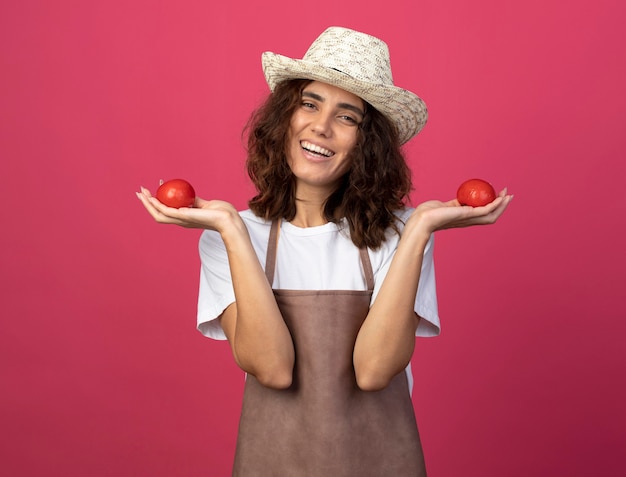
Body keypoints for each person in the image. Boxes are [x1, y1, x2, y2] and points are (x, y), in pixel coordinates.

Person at [137, 26, 512, 477]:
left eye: (348, 117)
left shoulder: (402, 234)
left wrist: (418, 231)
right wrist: (232, 230)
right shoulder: (230, 235)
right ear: (286, 118)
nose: (321, 126)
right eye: (309, 103)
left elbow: (374, 372)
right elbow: (271, 368)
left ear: (366, 144)